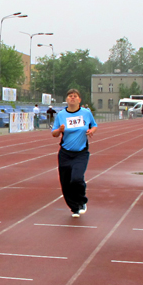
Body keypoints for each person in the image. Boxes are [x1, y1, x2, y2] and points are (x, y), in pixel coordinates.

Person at [51, 89, 98, 218]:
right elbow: (54, 133)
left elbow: (94, 125)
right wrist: (59, 130)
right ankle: (74, 208)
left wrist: (91, 131)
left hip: (81, 152)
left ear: (79, 100)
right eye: (70, 96)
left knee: (76, 178)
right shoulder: (61, 115)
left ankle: (82, 201)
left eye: (75, 96)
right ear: (66, 99)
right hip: (65, 153)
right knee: (65, 183)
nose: (72, 98)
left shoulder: (86, 113)